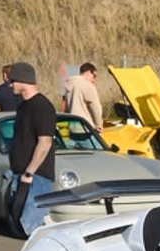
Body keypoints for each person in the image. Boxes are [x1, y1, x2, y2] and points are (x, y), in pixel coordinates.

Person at [7, 62, 57, 237]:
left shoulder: (42, 107)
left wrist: (29, 173)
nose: (10, 84)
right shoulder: (23, 106)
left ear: (23, 80)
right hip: (20, 175)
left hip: (36, 177)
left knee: (32, 227)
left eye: (12, 80)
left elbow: (45, 143)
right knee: (19, 226)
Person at [63, 62, 103, 131]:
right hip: (85, 127)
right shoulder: (87, 85)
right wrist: (98, 124)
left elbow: (66, 109)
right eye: (94, 76)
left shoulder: (69, 85)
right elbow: (95, 107)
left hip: (72, 127)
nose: (94, 79)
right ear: (88, 73)